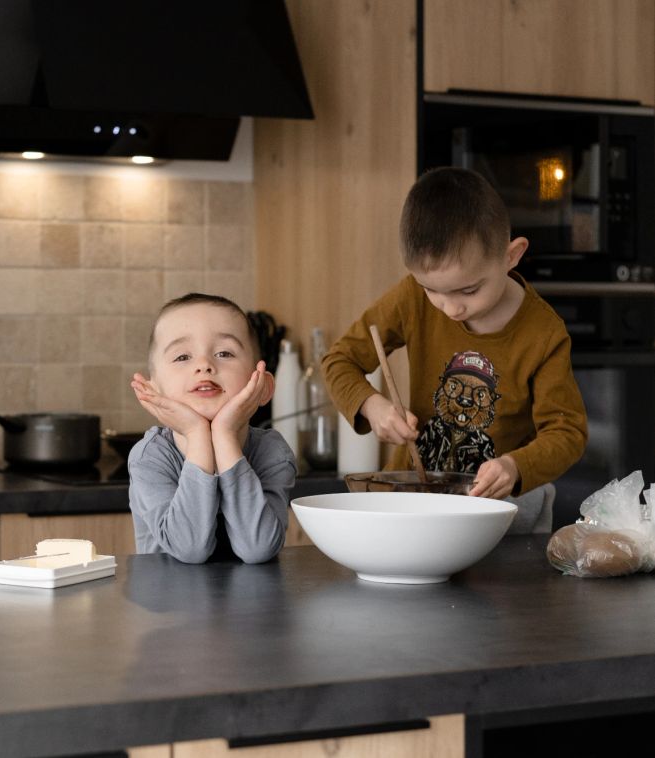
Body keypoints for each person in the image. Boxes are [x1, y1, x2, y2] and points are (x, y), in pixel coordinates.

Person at [322, 167, 587, 520]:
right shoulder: (411, 298)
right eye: (432, 290)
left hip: (502, 513)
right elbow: (340, 360)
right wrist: (373, 406)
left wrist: (514, 465)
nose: (451, 307)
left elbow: (567, 432)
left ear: (512, 255)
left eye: (469, 290)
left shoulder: (544, 333)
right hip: (411, 504)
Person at [127, 293, 296, 563]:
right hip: (168, 603)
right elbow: (190, 549)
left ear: (262, 386)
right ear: (151, 391)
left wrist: (224, 436)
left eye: (224, 353)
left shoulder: (272, 451)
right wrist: (197, 436)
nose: (204, 365)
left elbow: (258, 548)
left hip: (256, 605)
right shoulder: (149, 457)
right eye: (182, 356)